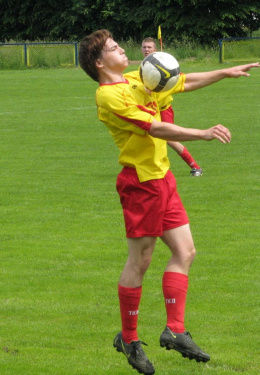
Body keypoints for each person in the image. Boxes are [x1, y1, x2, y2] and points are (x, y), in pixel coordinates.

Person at [78, 29, 258, 374]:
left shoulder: (136, 78)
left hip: (163, 179)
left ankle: (174, 330)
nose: (122, 50)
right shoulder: (108, 96)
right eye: (114, 48)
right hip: (140, 183)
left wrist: (225, 72)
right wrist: (202, 133)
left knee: (185, 251)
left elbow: (182, 82)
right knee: (141, 260)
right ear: (99, 62)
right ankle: (129, 339)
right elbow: (155, 128)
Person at [141, 37, 203, 176]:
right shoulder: (144, 67)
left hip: (163, 109)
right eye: (144, 47)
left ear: (155, 49)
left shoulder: (165, 64)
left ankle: (195, 166)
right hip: (151, 110)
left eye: (149, 47)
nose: (146, 50)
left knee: (170, 138)